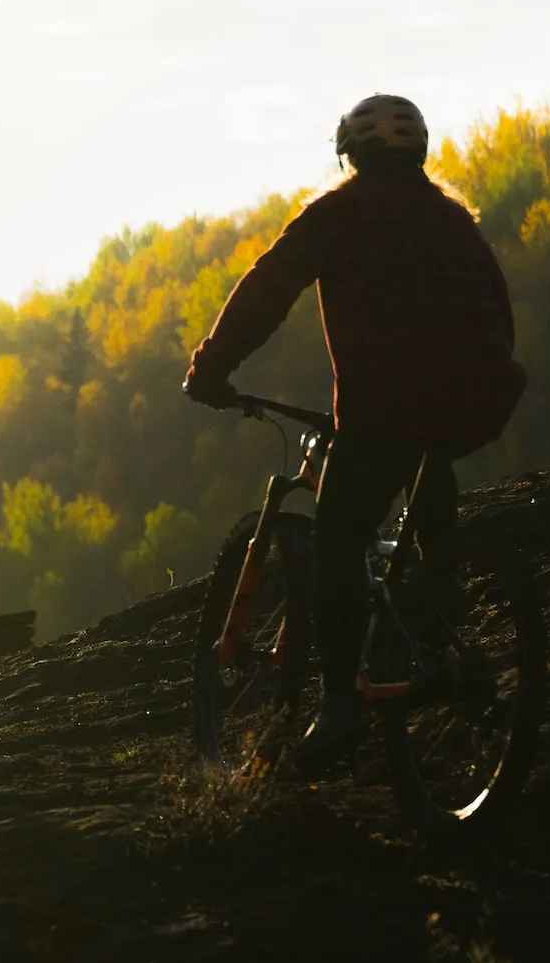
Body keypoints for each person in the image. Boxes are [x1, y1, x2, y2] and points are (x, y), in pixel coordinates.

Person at [182, 94, 525, 769]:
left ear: (350, 153)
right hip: (471, 404)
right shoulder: (457, 222)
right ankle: (438, 632)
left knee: (339, 539)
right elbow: (499, 314)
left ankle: (340, 705)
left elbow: (266, 289)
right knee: (430, 501)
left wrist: (212, 368)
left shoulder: (340, 213)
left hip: (383, 407)